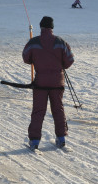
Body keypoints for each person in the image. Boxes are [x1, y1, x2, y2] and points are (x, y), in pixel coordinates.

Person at [22, 16, 74, 149]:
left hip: (40, 83)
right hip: (57, 82)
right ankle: (61, 138)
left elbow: (26, 57)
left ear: (41, 27)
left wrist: (36, 59)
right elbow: (69, 60)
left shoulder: (34, 42)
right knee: (58, 110)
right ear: (52, 27)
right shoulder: (61, 42)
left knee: (38, 111)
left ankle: (34, 141)